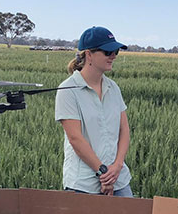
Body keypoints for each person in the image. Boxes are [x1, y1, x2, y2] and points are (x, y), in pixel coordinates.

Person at [55, 26, 133, 197]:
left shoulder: (113, 88)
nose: (113, 56)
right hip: (83, 184)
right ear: (89, 54)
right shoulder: (68, 90)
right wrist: (103, 173)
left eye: (116, 51)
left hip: (118, 178)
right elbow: (75, 139)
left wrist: (118, 165)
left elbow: (124, 130)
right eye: (107, 52)